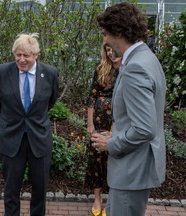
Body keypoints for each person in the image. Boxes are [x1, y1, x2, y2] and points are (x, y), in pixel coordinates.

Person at [91, 2, 166, 216]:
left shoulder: (135, 67)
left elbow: (144, 128)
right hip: (136, 168)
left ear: (119, 31)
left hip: (131, 170)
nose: (104, 39)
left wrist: (112, 142)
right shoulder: (148, 58)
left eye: (106, 34)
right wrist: (116, 133)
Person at [0, 33, 59, 216]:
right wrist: (10, 116)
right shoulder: (3, 71)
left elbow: (51, 101)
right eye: (18, 55)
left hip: (39, 139)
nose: (21, 59)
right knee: (11, 189)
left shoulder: (50, 73)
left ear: (36, 55)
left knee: (40, 190)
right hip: (11, 138)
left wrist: (33, 117)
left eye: (26, 55)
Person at [85, 43, 121, 216]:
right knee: (97, 160)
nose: (110, 52)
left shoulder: (126, 69)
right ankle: (97, 199)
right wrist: (90, 125)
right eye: (107, 49)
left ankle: (111, 200)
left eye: (113, 49)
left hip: (119, 123)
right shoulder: (100, 69)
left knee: (115, 161)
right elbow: (91, 98)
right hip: (99, 121)